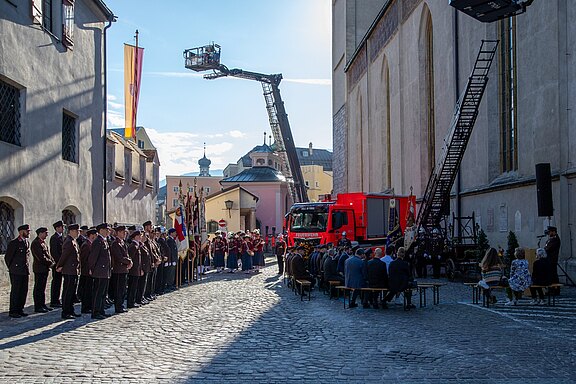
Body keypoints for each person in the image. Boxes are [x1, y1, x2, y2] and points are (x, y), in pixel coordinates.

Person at [5, 224, 31, 318]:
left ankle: (20, 309)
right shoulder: (14, 243)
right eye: (27, 231)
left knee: (23, 290)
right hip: (16, 271)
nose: (28, 233)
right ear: (21, 231)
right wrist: (12, 268)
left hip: (24, 270)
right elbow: (8, 257)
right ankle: (13, 310)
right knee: (16, 291)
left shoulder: (26, 242)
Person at [56, 224, 81, 319]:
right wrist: (60, 265)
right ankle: (66, 311)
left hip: (74, 270)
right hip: (69, 270)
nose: (78, 233)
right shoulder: (68, 242)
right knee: (68, 292)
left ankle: (70, 310)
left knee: (72, 292)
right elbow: (64, 256)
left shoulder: (73, 241)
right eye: (77, 231)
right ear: (71, 231)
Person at [88, 223, 112, 320]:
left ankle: (101, 310)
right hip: (99, 271)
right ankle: (96, 312)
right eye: (106, 229)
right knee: (98, 293)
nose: (108, 231)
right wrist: (92, 269)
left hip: (104, 271)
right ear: (101, 230)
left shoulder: (104, 241)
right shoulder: (98, 241)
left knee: (103, 293)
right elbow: (93, 257)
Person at [31, 227, 55, 313]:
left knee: (43, 288)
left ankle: (42, 304)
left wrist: (52, 261)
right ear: (40, 233)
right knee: (38, 288)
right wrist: (50, 263)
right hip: (39, 268)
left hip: (44, 269)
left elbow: (48, 254)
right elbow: (40, 257)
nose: (47, 235)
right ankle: (38, 306)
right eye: (45, 233)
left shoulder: (43, 242)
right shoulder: (36, 243)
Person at [110, 226, 132, 313]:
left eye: (125, 233)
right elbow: (119, 257)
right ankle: (118, 307)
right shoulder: (115, 243)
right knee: (118, 290)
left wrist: (130, 261)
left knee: (123, 289)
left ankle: (121, 305)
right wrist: (128, 261)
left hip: (124, 269)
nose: (125, 234)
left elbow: (127, 255)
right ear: (118, 232)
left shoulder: (123, 243)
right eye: (123, 232)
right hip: (118, 269)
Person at [78, 228, 97, 313]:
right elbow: (84, 259)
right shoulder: (86, 245)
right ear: (92, 235)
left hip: (90, 271)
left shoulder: (91, 244)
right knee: (86, 290)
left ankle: (89, 306)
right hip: (86, 272)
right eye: (95, 235)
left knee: (89, 290)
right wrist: (88, 269)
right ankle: (86, 307)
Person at [49, 220, 65, 308]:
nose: (63, 228)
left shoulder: (62, 237)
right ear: (57, 228)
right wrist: (60, 264)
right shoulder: (54, 238)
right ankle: (54, 300)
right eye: (62, 227)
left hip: (62, 263)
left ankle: (57, 299)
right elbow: (54, 252)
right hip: (58, 264)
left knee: (59, 282)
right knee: (56, 282)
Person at [127, 230, 144, 308]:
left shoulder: (137, 245)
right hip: (133, 270)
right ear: (136, 236)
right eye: (140, 236)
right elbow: (131, 258)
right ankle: (130, 302)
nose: (141, 237)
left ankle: (132, 301)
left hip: (136, 269)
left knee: (135, 287)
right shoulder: (133, 246)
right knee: (132, 287)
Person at [544, 226, 561, 294]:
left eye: (550, 232)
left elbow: (548, 249)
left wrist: (544, 249)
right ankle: (551, 289)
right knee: (551, 275)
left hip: (552, 259)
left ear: (553, 232)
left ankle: (555, 290)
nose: (549, 233)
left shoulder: (555, 239)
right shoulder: (551, 239)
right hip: (549, 259)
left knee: (553, 275)